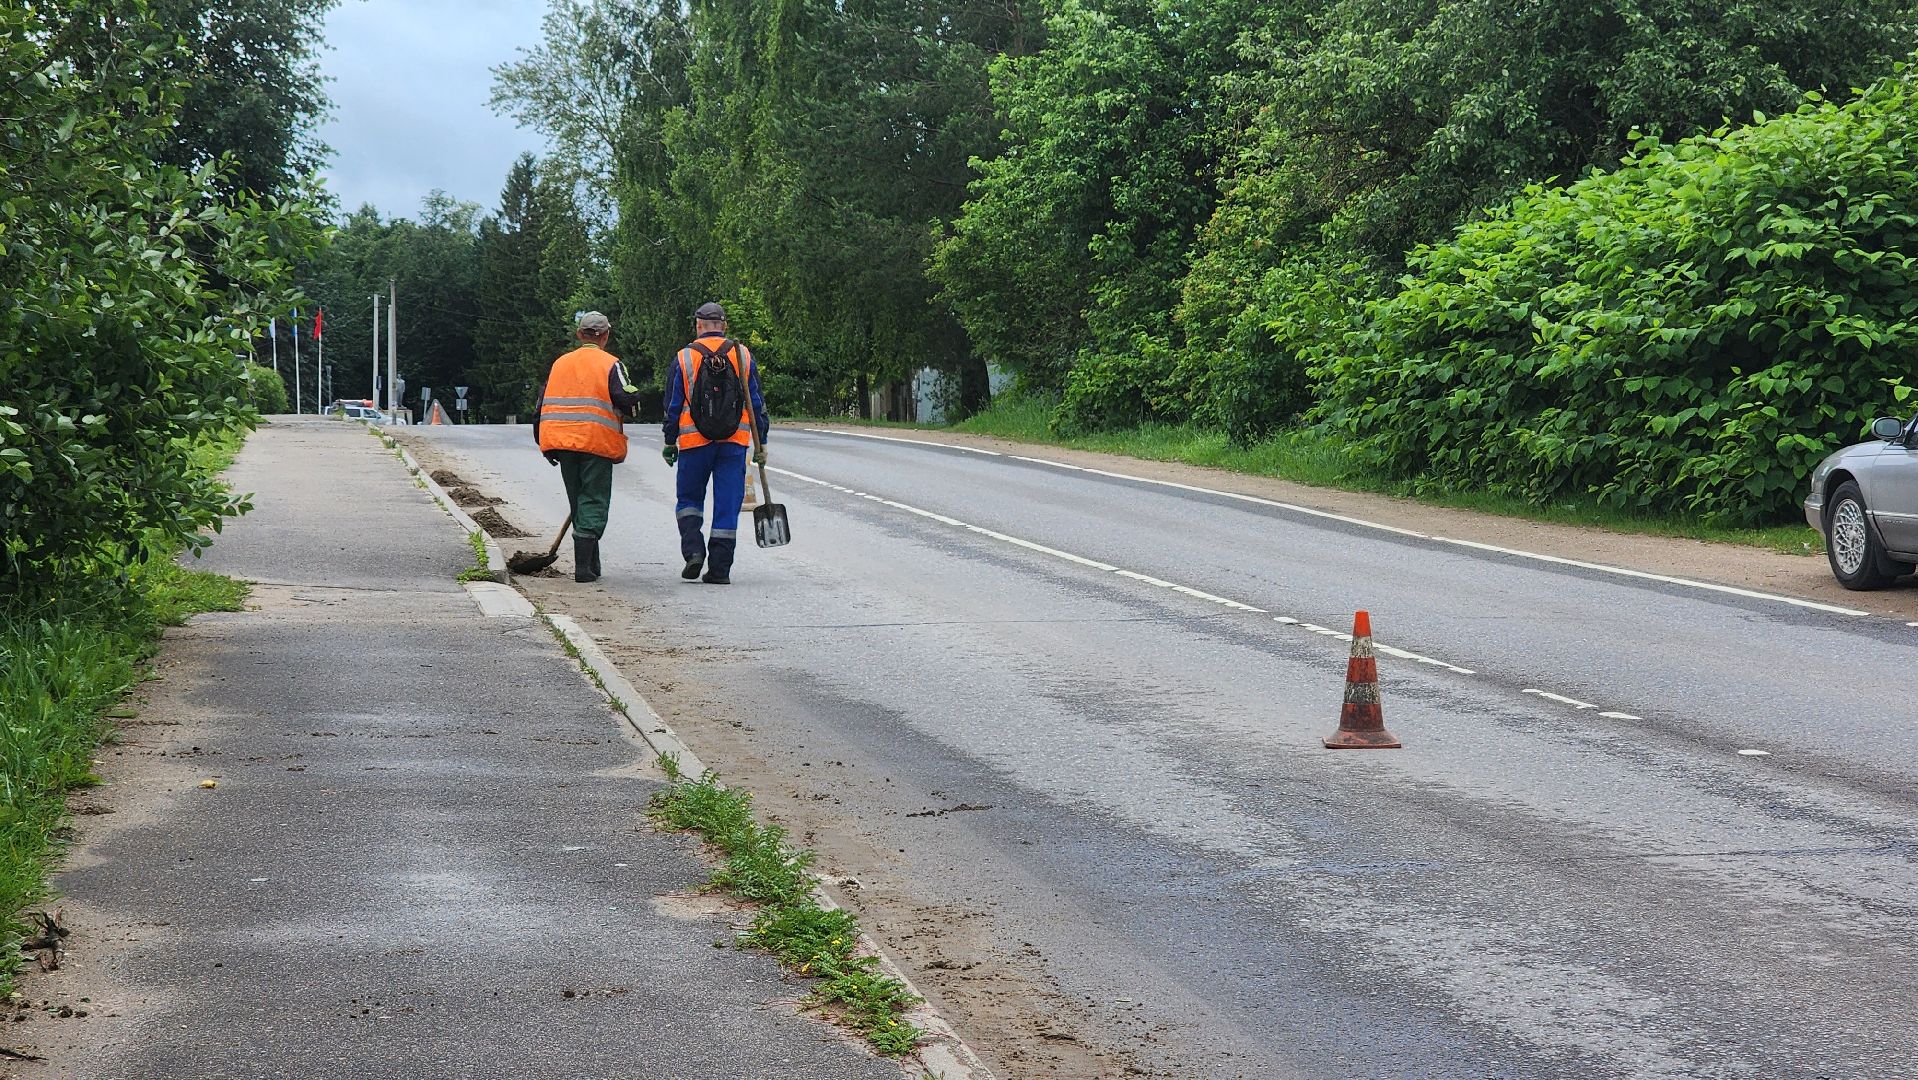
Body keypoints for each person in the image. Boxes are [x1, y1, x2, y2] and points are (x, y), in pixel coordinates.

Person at [661, 301, 767, 585]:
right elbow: (755, 404)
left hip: (695, 443)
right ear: (724, 325)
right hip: (733, 443)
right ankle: (720, 569)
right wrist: (761, 444)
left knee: (689, 500)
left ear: (698, 326)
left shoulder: (684, 358)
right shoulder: (742, 355)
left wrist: (670, 441)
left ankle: (694, 551)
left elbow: (672, 405)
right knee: (727, 505)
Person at [534, 311, 642, 583]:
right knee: (593, 499)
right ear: (605, 336)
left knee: (577, 499)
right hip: (595, 442)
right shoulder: (611, 364)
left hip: (561, 442)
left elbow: (541, 405)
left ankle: (592, 564)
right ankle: (583, 569)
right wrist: (635, 398)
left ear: (580, 335)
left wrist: (543, 441)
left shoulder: (560, 363)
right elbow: (626, 400)